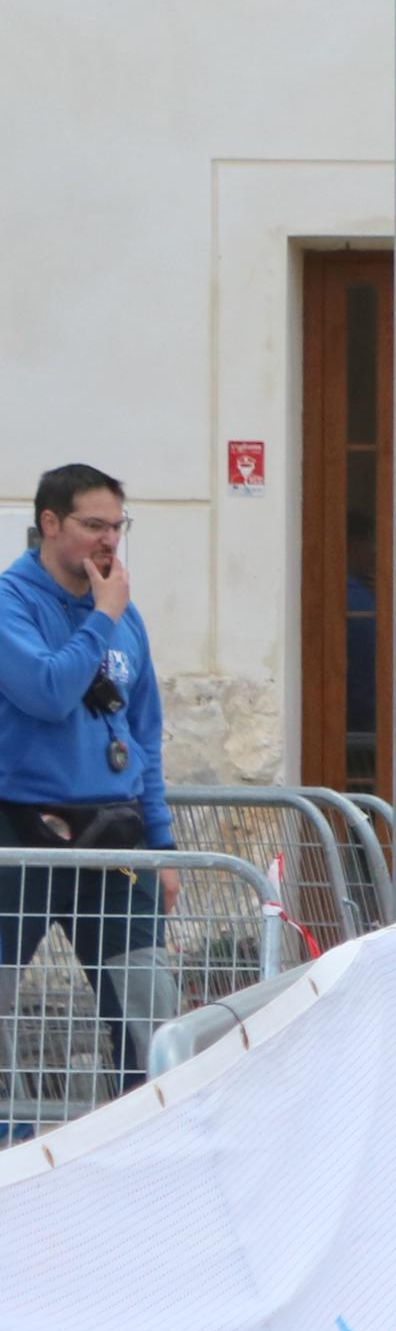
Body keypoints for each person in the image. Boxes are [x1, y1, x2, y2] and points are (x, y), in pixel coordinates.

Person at [0, 464, 174, 1096]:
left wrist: (162, 845)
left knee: (148, 1005)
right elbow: (46, 691)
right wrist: (100, 617)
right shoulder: (12, 603)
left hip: (115, 832)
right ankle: (13, 1139)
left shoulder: (125, 616)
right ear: (50, 523)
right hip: (19, 829)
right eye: (94, 525)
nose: (109, 541)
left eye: (117, 526)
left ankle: (147, 1129)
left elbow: (145, 734)